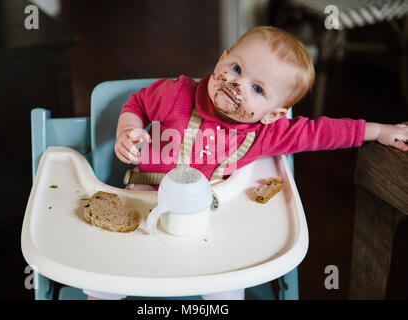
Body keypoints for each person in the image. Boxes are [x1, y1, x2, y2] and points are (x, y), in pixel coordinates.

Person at [86, 26, 408, 300]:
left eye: (257, 88)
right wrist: (128, 130)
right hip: (144, 207)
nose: (238, 85)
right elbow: (138, 102)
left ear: (273, 114)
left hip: (206, 226)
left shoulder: (267, 134)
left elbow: (320, 133)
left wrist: (378, 131)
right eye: (236, 69)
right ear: (221, 59)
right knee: (105, 277)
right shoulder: (176, 95)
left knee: (229, 283)